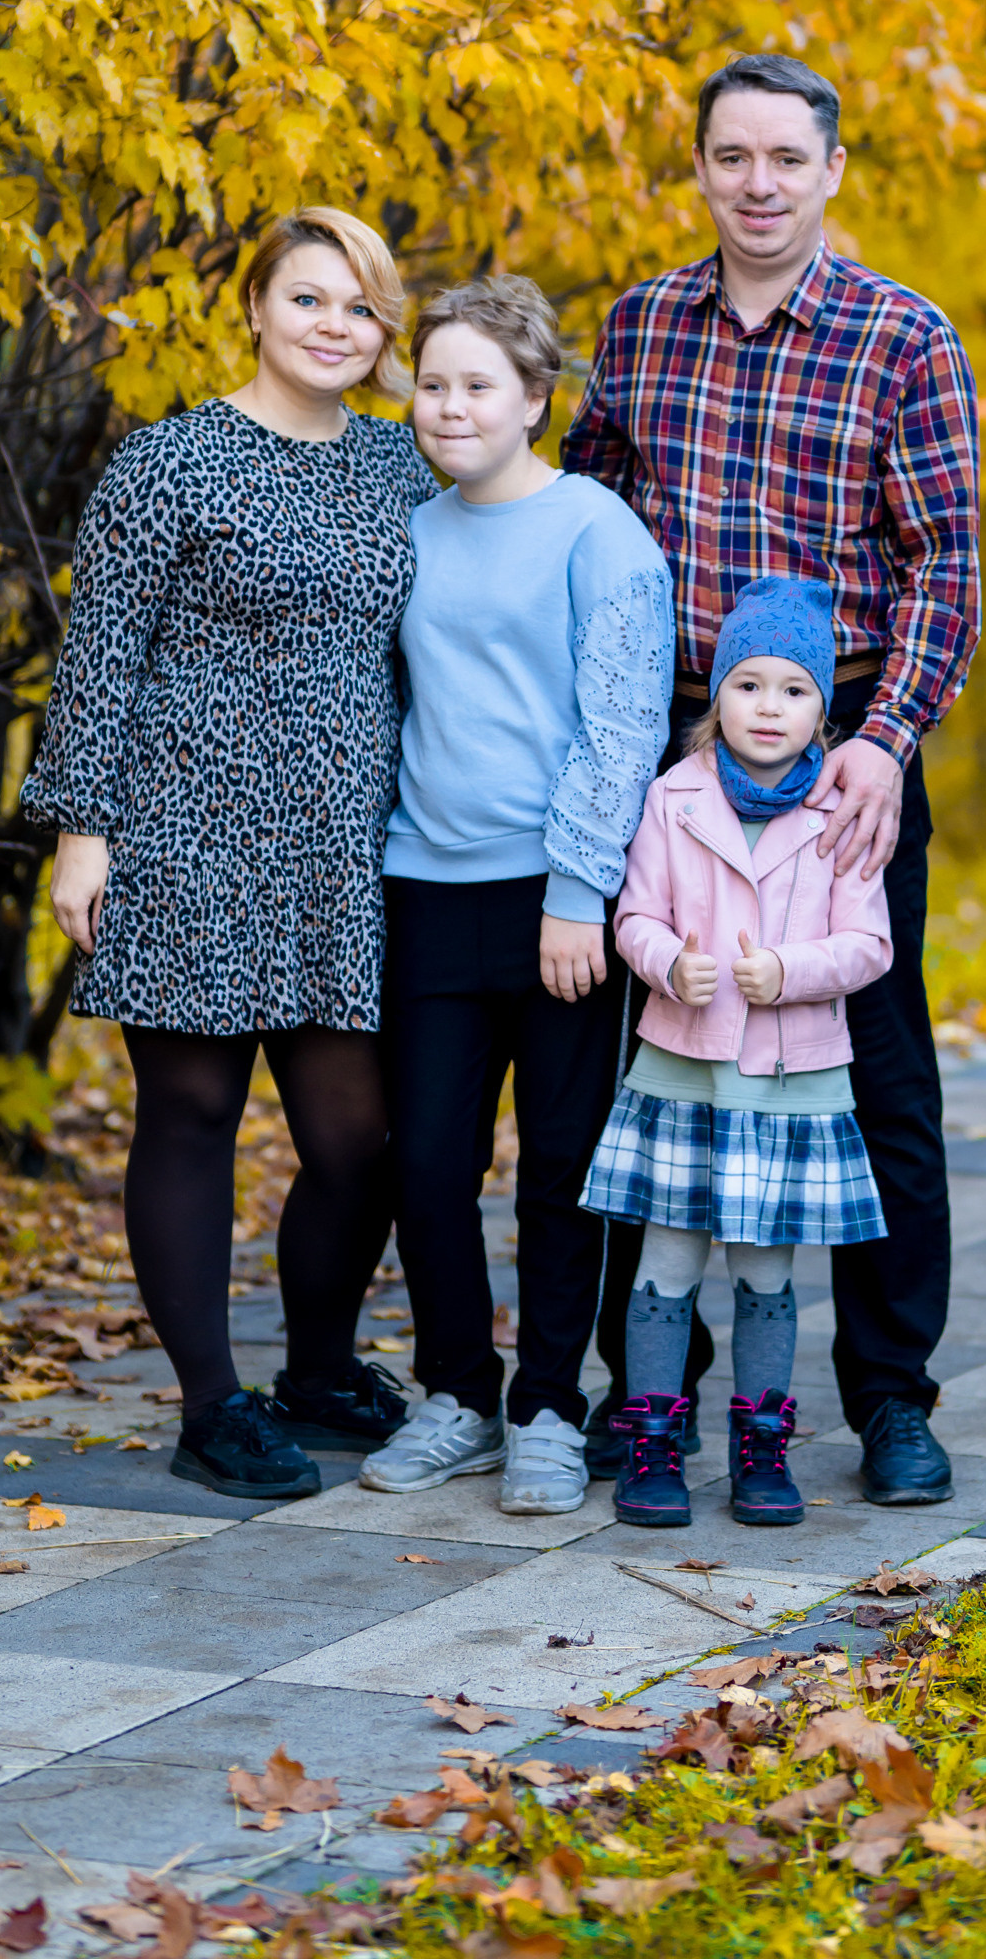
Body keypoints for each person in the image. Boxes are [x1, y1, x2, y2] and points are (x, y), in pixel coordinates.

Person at [562, 52, 981, 1505]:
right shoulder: (642, 326)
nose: (758, 185)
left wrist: (886, 738)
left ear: (831, 172)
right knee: (656, 1052)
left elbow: (945, 566)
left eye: (785, 161)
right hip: (671, 738)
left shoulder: (902, 338)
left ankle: (889, 1398)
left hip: (847, 741)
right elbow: (590, 505)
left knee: (870, 1069)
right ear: (700, 166)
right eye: (732, 157)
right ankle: (646, 1397)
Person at [24, 207, 433, 1503]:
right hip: (185, 824)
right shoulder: (169, 466)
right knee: (192, 1113)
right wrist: (80, 836)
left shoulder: (403, 468)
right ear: (255, 307)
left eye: (360, 308)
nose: (333, 326)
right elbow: (100, 661)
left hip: (346, 842)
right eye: (309, 298)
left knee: (358, 1137)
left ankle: (320, 1366)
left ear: (383, 334)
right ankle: (212, 1404)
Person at [360, 274, 673, 1516]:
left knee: (559, 1165)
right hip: (422, 887)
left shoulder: (597, 530)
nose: (448, 405)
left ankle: (549, 1404)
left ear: (534, 399)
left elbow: (622, 723)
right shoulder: (409, 527)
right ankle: (457, 1393)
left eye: (476, 384)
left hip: (554, 901)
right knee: (428, 1162)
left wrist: (576, 889)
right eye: (431, 383)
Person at [583, 576, 891, 1529]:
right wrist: (671, 963)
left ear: (823, 708)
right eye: (749, 685)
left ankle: (764, 1447)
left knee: (766, 1273)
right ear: (715, 695)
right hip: (683, 1066)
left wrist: (788, 972)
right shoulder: (672, 800)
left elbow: (870, 945)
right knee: (665, 1269)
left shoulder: (838, 814)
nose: (770, 708)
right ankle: (652, 1441)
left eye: (795, 690)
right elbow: (633, 916)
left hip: (791, 1078)